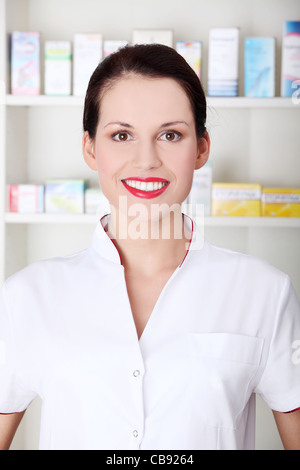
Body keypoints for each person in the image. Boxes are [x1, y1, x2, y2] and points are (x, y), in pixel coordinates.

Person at [0, 44, 299, 451]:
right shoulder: (26, 297)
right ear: (90, 148)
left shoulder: (264, 292)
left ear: (201, 149)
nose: (146, 160)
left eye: (170, 135)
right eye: (121, 135)